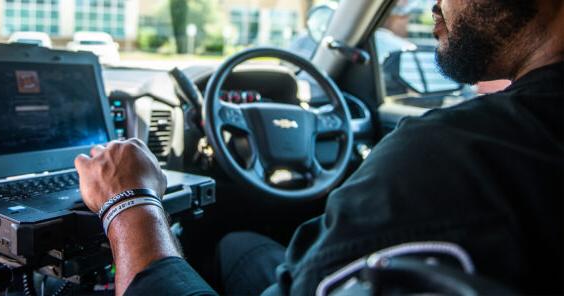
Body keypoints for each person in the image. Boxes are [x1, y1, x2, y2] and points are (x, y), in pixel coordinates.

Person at [74, 0, 564, 294]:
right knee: (239, 243)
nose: (434, 3)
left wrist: (131, 203)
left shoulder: (447, 158)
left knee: (234, 245)